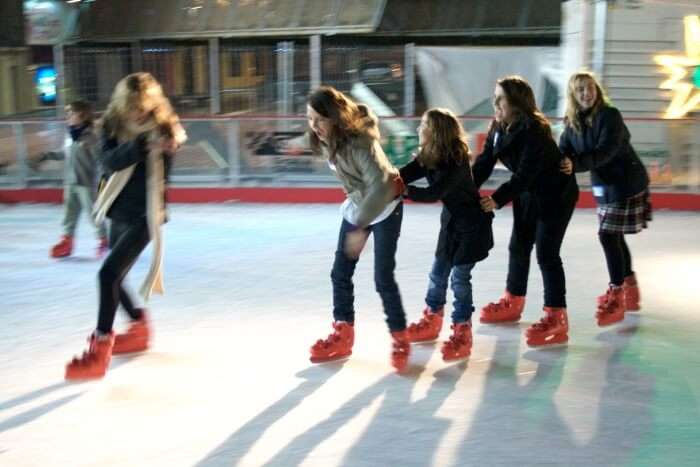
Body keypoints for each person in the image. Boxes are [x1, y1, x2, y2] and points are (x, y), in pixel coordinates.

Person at [65, 72, 186, 380]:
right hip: (117, 208)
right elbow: (108, 162)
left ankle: (100, 349)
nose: (138, 112)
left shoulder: (162, 125)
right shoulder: (111, 125)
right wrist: (141, 146)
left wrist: (168, 146)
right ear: (122, 103)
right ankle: (139, 325)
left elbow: (163, 174)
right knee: (116, 277)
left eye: (144, 105)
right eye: (133, 105)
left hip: (146, 213)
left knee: (107, 275)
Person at [306, 86, 410, 372]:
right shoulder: (326, 138)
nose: (314, 126)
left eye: (320, 120)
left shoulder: (360, 142)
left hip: (386, 206)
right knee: (340, 272)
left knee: (382, 278)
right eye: (310, 119)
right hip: (360, 205)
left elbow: (380, 185)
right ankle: (343, 333)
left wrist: (359, 226)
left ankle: (400, 338)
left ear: (336, 118)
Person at [474, 76, 579, 347]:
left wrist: (495, 200)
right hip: (529, 193)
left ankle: (557, 316)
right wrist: (464, 188)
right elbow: (485, 162)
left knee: (546, 252)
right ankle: (513, 301)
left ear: (517, 104)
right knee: (518, 246)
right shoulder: (498, 126)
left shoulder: (534, 131)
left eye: (501, 99)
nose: (495, 103)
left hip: (555, 195)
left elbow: (524, 175)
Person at [400, 108, 494, 361]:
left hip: (472, 226)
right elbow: (404, 174)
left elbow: (433, 193)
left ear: (437, 132)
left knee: (460, 279)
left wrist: (402, 190)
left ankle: (462, 329)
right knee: (438, 272)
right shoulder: (429, 156)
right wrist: (382, 181)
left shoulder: (456, 160)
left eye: (424, 125)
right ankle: (432, 318)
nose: (420, 130)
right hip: (451, 225)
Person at [559, 71, 651, 326]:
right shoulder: (572, 122)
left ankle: (618, 293)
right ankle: (630, 291)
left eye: (590, 88)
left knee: (608, 235)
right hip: (604, 185)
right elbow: (563, 150)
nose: (587, 93)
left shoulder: (609, 116)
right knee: (614, 235)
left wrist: (573, 164)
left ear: (597, 90)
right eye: (580, 90)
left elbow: (606, 151)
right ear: (573, 96)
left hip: (626, 181)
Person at [43, 100, 108, 258]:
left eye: (71, 113)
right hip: (70, 181)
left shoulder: (90, 137)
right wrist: (48, 155)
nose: (68, 116)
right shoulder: (70, 135)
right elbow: (65, 153)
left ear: (82, 115)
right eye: (68, 113)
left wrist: (106, 174)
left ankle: (104, 241)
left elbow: (100, 158)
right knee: (69, 214)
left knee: (93, 214)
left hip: (85, 182)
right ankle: (67, 241)